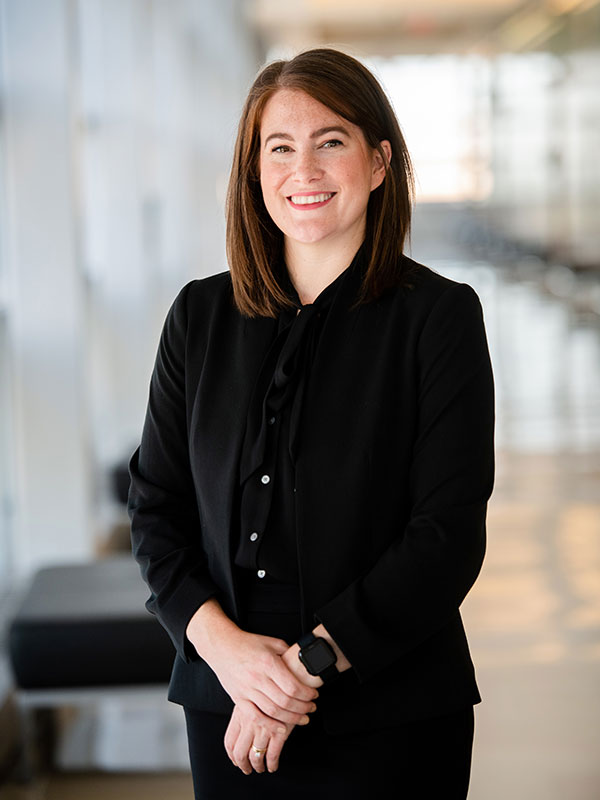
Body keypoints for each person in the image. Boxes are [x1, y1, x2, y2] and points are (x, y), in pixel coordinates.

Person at [127, 47, 495, 799]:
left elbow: (445, 538)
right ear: (254, 171)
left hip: (389, 708)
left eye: (332, 142)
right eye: (281, 148)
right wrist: (229, 657)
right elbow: (155, 509)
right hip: (227, 705)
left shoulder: (439, 318)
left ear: (380, 161)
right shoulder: (198, 317)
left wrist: (300, 672)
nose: (306, 170)